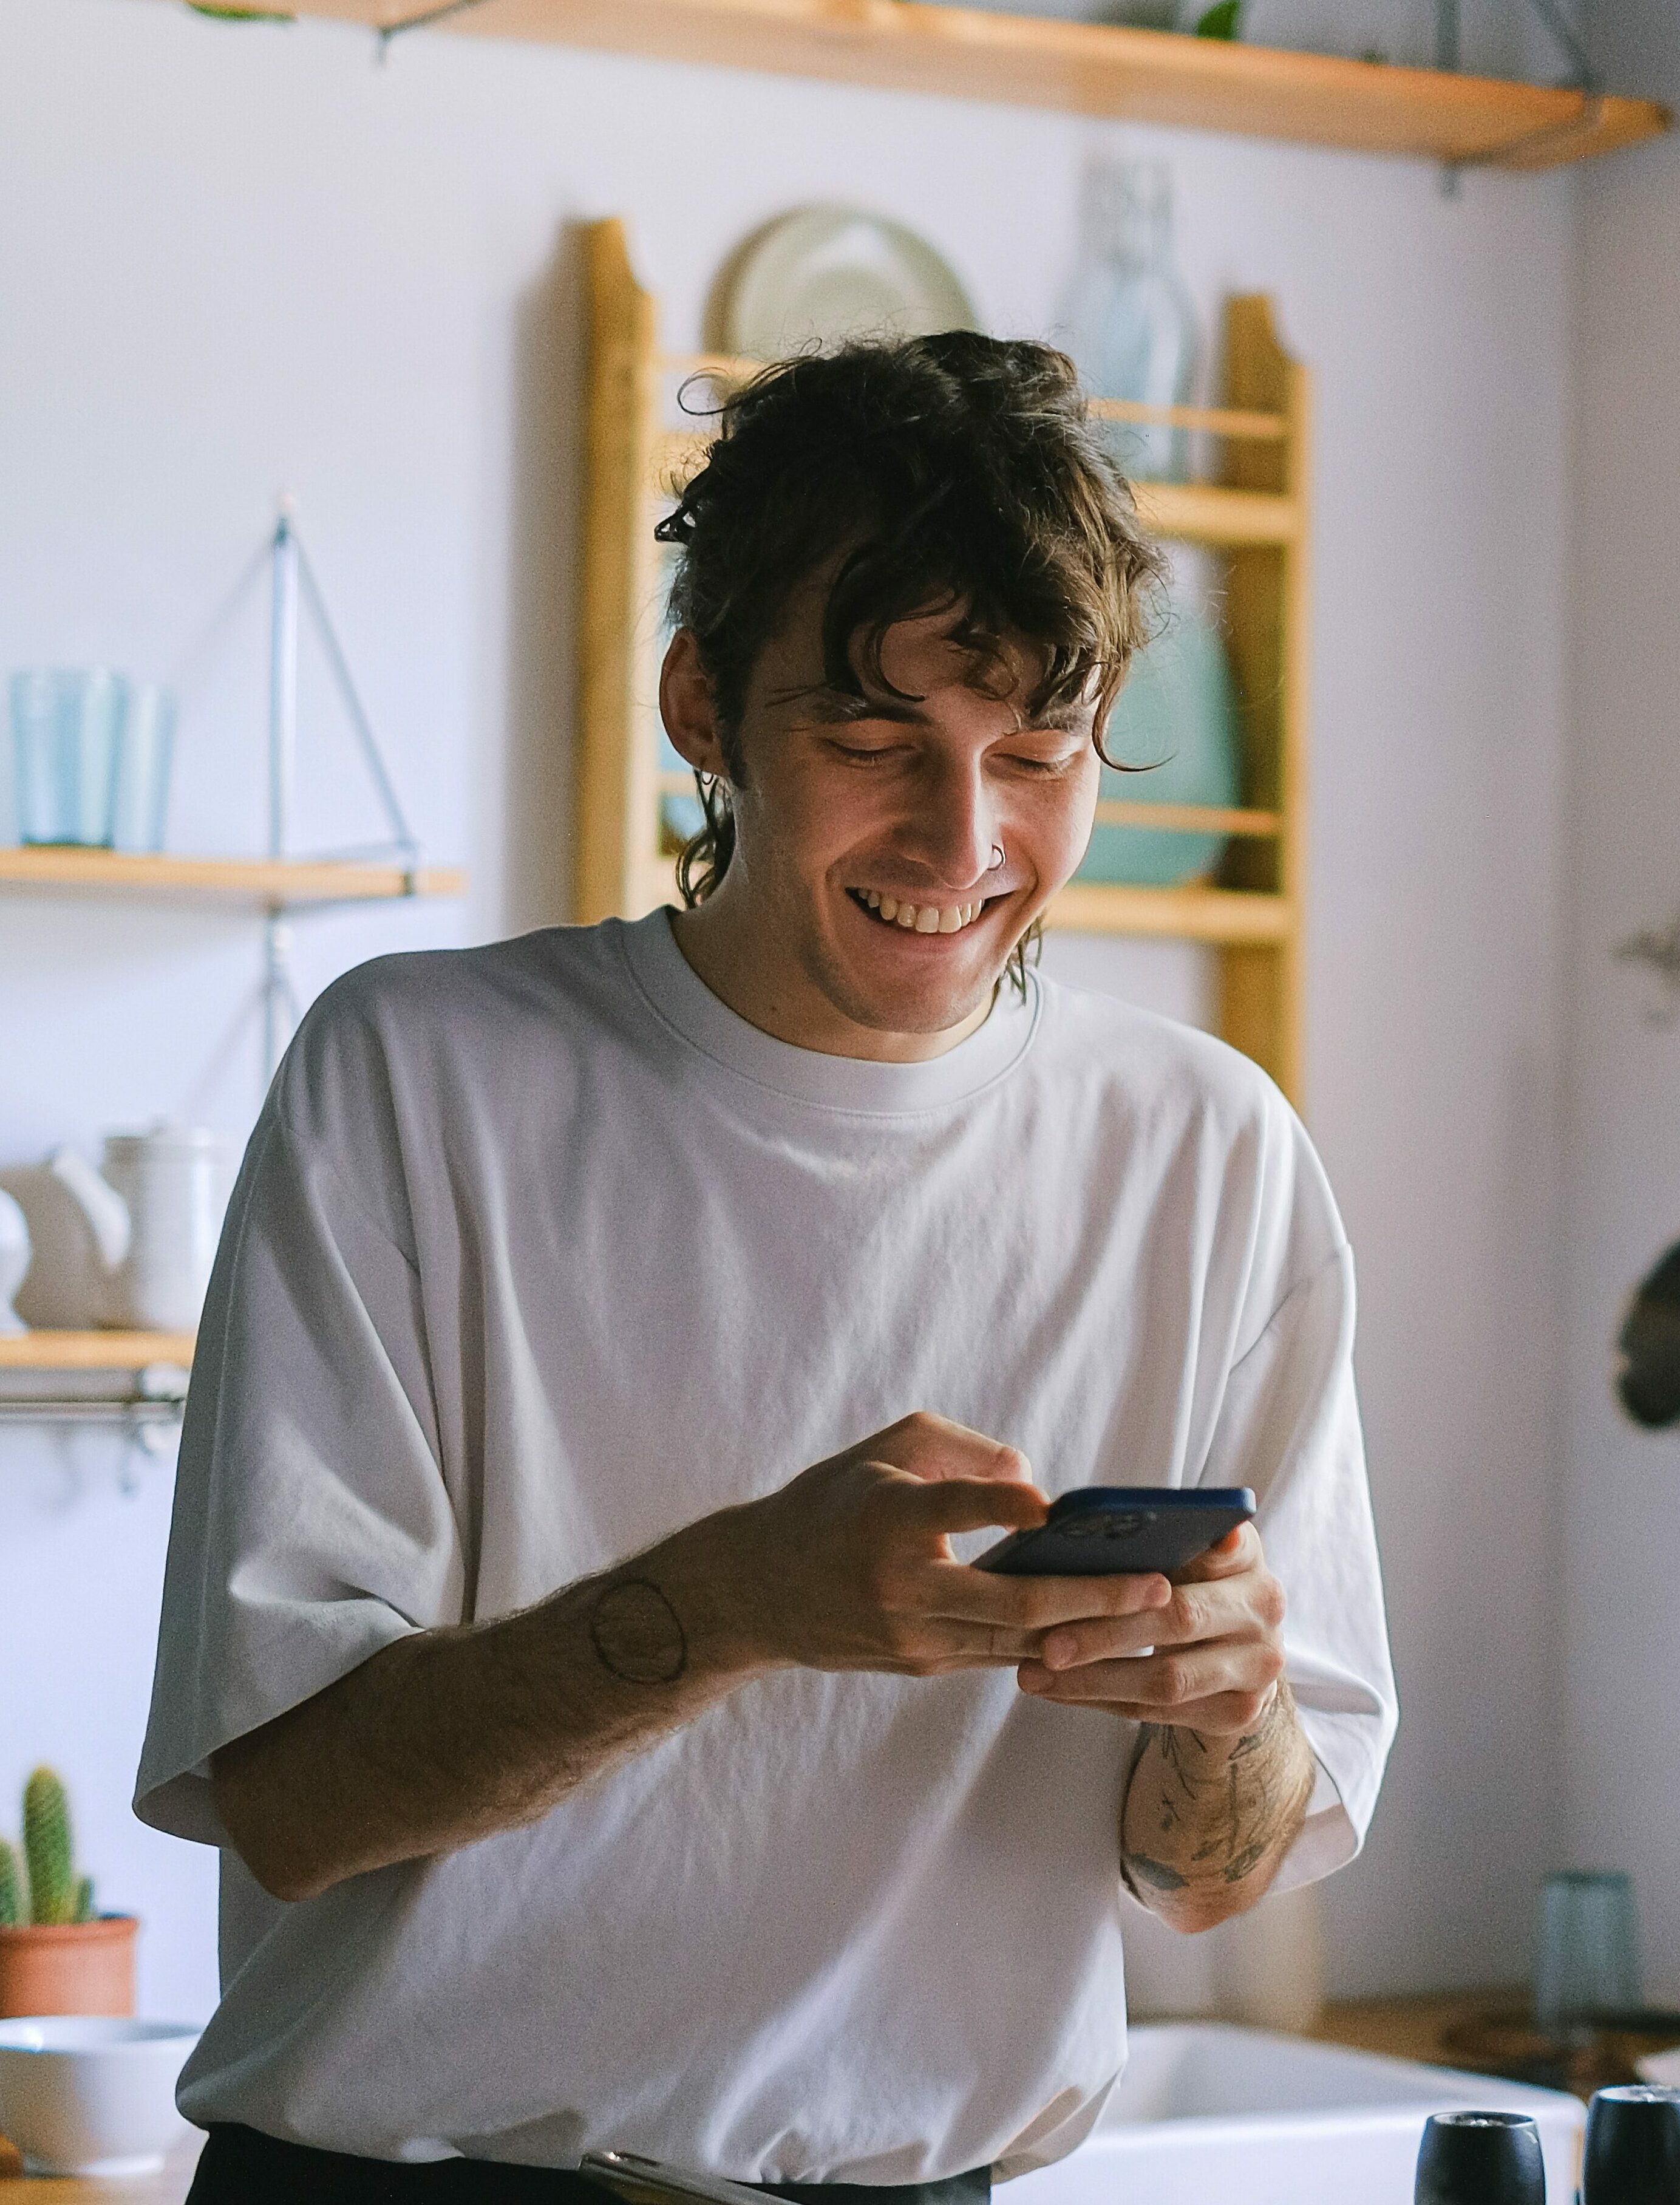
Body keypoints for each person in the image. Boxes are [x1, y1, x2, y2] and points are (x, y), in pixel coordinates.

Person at [137, 332, 1396, 2204]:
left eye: (1036, 755)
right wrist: (733, 1603)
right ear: (702, 706)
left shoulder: (1212, 1155)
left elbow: (1218, 1870)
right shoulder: (416, 1076)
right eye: (875, 742)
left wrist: (1227, 1715)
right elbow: (295, 1805)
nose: (964, 844)